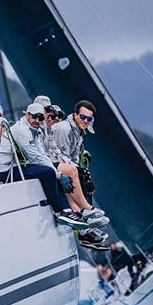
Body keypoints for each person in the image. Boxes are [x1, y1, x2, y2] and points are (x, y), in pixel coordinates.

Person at [9, 102, 107, 241]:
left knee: (80, 175)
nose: (50, 119)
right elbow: (39, 156)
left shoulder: (44, 128)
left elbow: (50, 152)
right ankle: (83, 212)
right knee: (70, 173)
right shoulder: (60, 129)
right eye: (47, 115)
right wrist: (59, 173)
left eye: (53, 116)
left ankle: (83, 220)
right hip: (22, 166)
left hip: (46, 162)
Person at [52, 100, 111, 247]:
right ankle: (86, 213)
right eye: (83, 117)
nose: (85, 121)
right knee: (76, 175)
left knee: (85, 178)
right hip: (53, 164)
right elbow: (59, 155)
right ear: (75, 115)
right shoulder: (64, 129)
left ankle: (87, 224)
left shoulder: (79, 131)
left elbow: (73, 157)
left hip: (63, 165)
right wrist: (76, 171)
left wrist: (81, 172)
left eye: (89, 119)